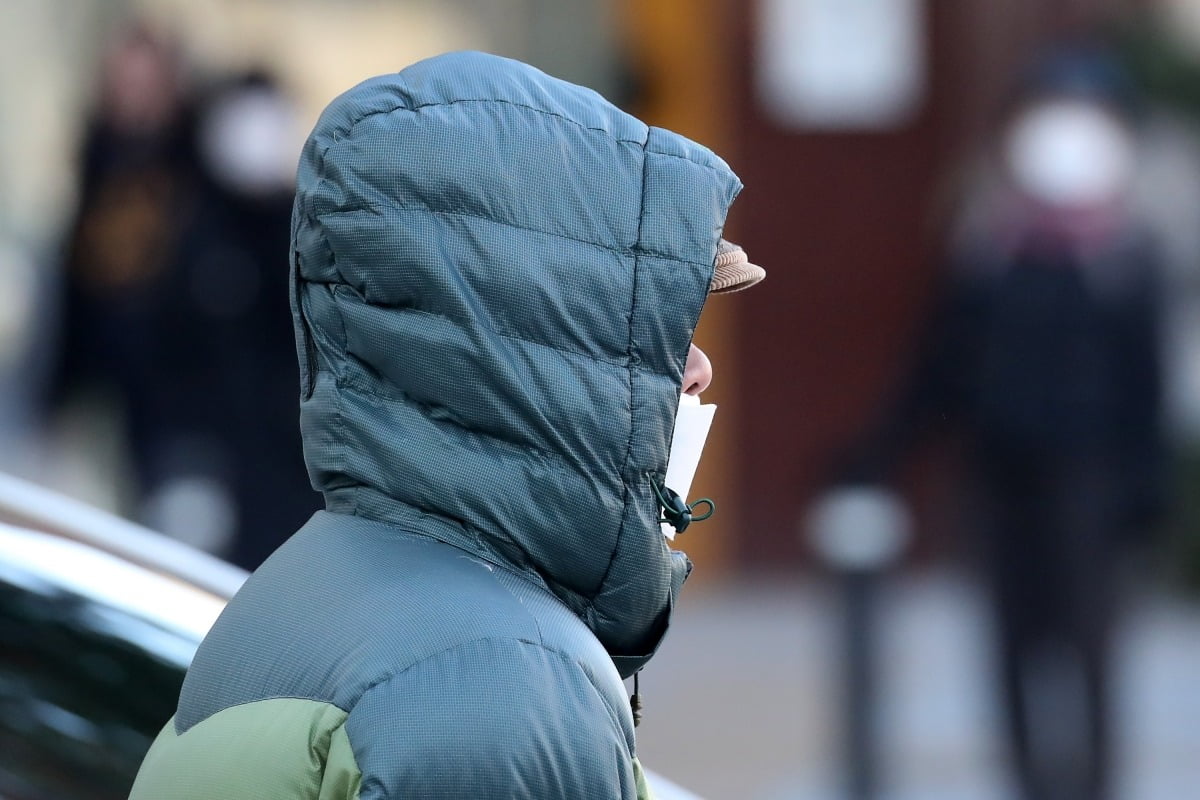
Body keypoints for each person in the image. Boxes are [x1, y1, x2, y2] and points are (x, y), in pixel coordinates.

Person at [128, 51, 763, 799]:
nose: (698, 368)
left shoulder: (322, 599)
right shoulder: (498, 683)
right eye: (655, 325)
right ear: (538, 335)